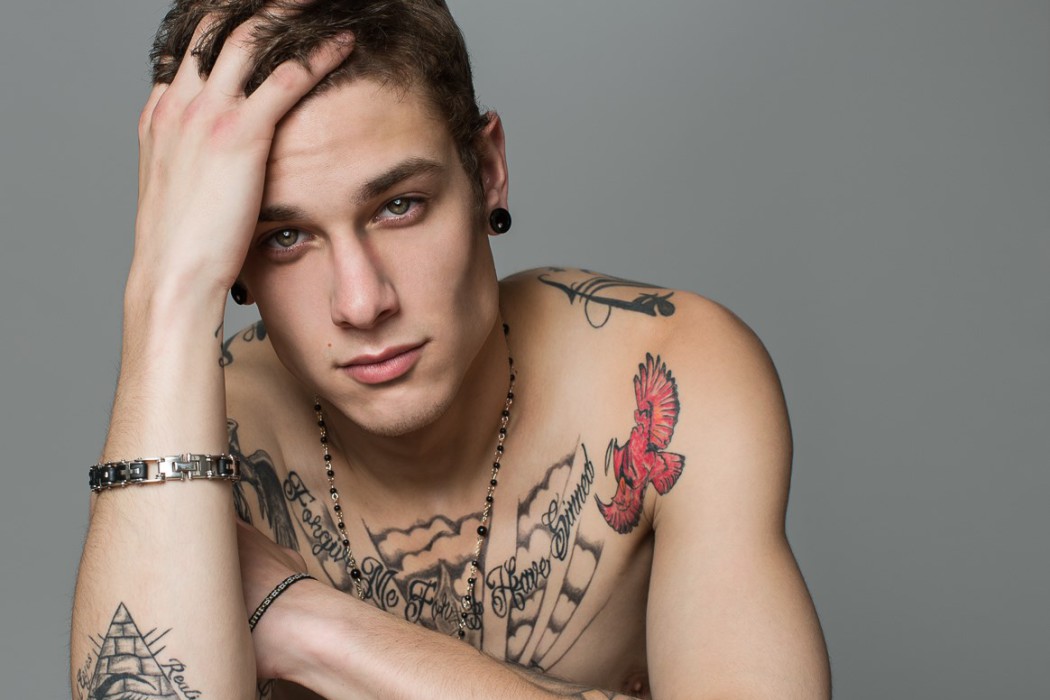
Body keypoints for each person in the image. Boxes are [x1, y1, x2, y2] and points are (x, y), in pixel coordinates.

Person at [70, 1, 831, 698]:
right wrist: (167, 289)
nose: (361, 302)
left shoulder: (660, 375)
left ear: (486, 171)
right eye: (286, 237)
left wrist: (306, 626)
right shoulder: (204, 433)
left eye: (399, 206)